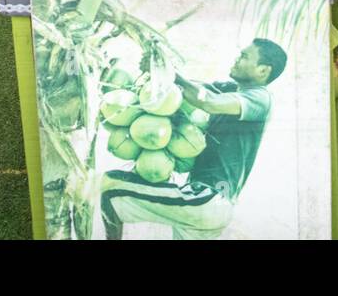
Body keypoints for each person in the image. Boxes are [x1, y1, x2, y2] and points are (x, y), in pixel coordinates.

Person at [100, 38, 287, 240]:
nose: (236, 59)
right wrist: (159, 70)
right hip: (209, 208)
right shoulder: (228, 89)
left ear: (263, 71)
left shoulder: (261, 98)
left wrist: (171, 74)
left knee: (110, 189)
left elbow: (208, 102)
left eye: (244, 56)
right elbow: (188, 91)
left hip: (208, 198)